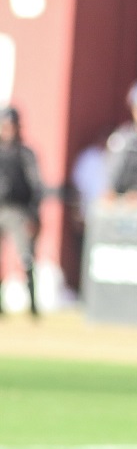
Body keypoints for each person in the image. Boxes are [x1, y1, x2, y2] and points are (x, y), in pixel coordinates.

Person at [0, 106, 42, 316]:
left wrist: (33, 214)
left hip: (18, 211)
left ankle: (32, 305)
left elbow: (35, 185)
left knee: (26, 257)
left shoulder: (25, 153)